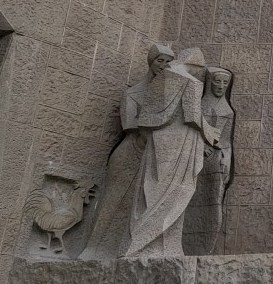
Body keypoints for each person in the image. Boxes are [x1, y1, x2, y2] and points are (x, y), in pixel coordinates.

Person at [80, 44, 174, 259]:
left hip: (149, 155)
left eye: (169, 62)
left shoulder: (167, 96)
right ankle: (91, 248)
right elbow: (131, 125)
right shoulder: (134, 93)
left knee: (136, 206)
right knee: (111, 202)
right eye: (160, 60)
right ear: (151, 62)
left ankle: (119, 249)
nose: (164, 66)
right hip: (130, 153)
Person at [125, 48, 219, 257]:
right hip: (180, 142)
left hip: (157, 141)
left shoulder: (160, 78)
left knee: (151, 189)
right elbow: (192, 116)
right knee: (176, 191)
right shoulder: (190, 81)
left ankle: (136, 244)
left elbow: (146, 119)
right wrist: (210, 131)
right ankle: (157, 247)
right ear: (197, 66)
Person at [182, 67, 235, 255]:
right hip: (198, 157)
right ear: (209, 81)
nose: (221, 86)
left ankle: (206, 246)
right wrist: (200, 145)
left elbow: (226, 140)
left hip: (217, 160)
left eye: (225, 83)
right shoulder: (201, 106)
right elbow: (190, 130)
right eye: (217, 81)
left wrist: (226, 158)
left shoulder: (227, 110)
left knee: (214, 201)